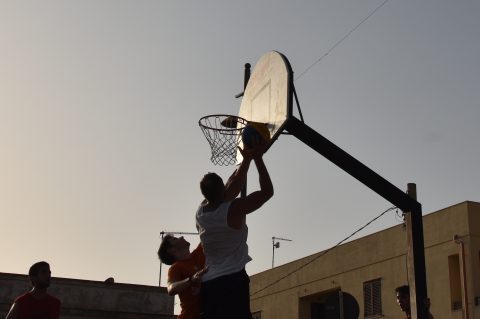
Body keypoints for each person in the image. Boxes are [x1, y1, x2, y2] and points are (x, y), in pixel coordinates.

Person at [196, 140, 273, 319]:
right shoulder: (234, 209)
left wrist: (245, 160)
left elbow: (233, 185)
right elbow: (267, 192)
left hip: (209, 284)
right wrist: (258, 158)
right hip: (232, 280)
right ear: (222, 190)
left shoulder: (200, 212)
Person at [158, 235, 208, 319]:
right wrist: (191, 279)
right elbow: (171, 288)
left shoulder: (198, 253)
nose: (181, 236)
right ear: (171, 250)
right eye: (175, 239)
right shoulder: (175, 267)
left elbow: (207, 234)